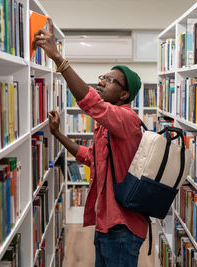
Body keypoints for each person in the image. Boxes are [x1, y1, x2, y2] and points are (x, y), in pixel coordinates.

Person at [33, 18, 148, 267]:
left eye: (109, 80)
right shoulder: (109, 124)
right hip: (105, 222)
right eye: (102, 77)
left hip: (123, 227)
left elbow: (91, 103)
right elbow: (89, 156)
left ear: (125, 94)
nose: (101, 82)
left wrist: (59, 60)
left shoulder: (127, 119)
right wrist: (59, 135)